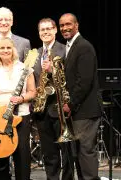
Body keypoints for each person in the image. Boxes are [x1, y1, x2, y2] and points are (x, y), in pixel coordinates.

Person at [0, 37, 36, 180]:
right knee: (0, 154)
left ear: (13, 49)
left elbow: (33, 92)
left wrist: (21, 98)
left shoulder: (24, 68)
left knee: (22, 154)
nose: (5, 50)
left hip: (20, 115)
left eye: (8, 47)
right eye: (2, 48)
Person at [59, 13, 102, 180]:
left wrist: (70, 104)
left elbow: (84, 81)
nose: (65, 28)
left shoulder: (83, 46)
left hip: (85, 110)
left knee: (85, 152)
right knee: (79, 153)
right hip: (79, 110)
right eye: (62, 25)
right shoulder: (71, 45)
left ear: (76, 25)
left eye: (68, 24)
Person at [32, 18, 74, 180]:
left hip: (60, 108)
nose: (46, 32)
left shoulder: (65, 50)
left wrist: (52, 71)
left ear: (56, 30)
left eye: (49, 29)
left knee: (67, 151)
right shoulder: (34, 53)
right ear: (39, 33)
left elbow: (70, 77)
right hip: (41, 110)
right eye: (42, 30)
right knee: (49, 152)